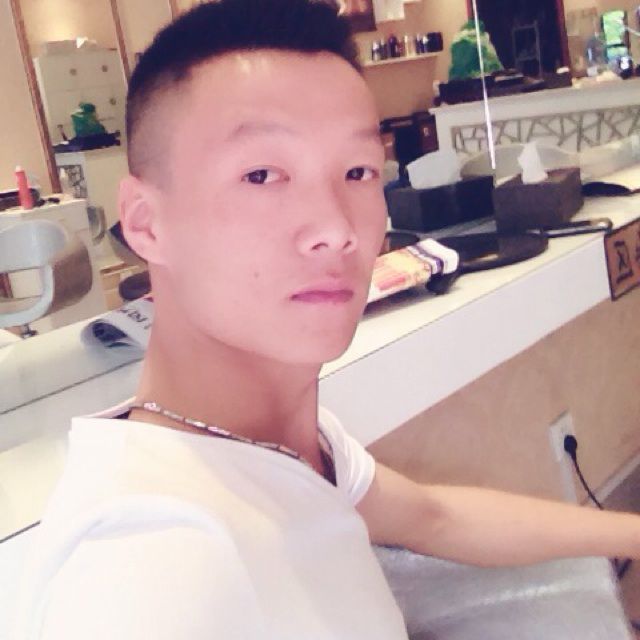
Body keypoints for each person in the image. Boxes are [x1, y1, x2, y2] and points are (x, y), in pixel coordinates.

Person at [14, 1, 640, 638]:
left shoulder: (277, 443)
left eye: (357, 171)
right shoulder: (150, 561)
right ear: (147, 223)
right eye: (262, 174)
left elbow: (435, 517)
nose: (337, 228)